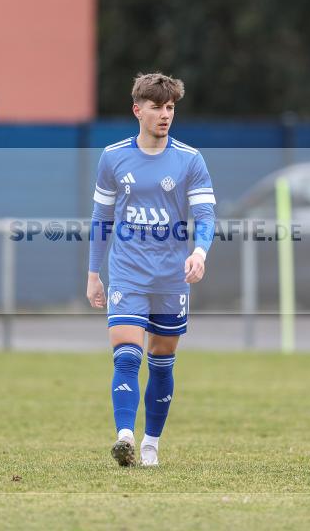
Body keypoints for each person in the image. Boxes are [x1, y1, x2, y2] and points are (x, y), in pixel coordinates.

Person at [86, 73, 216, 467]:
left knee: (162, 359)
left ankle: (150, 444)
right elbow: (101, 217)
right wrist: (94, 273)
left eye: (170, 107)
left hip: (171, 276)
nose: (165, 114)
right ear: (137, 110)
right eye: (157, 107)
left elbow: (206, 214)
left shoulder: (190, 159)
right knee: (126, 355)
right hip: (127, 272)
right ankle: (124, 435)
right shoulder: (113, 157)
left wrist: (200, 252)